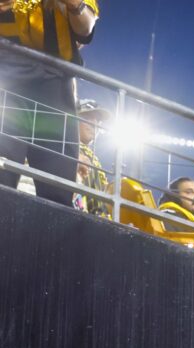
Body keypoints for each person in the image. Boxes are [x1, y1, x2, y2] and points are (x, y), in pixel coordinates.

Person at [0, 0, 99, 206]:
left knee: (58, 189)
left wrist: (73, 4)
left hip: (55, 87)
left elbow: (86, 29)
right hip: (6, 79)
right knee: (3, 175)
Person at [74, 98, 112, 216]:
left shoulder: (92, 158)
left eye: (98, 120)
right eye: (88, 117)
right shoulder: (60, 144)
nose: (94, 124)